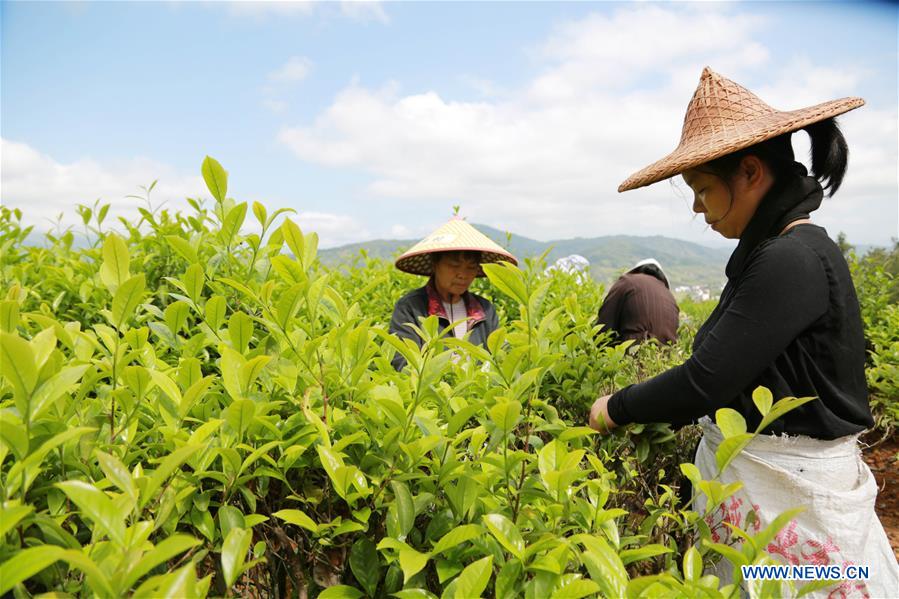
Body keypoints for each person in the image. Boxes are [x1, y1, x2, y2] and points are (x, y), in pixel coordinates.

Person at [589, 67, 898, 595]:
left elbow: (705, 380)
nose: (697, 207)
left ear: (751, 172)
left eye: (703, 189)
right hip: (774, 491)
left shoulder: (790, 258)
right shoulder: (780, 251)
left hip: (789, 501)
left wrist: (615, 407)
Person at [389, 217, 517, 371]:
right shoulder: (411, 307)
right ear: (435, 264)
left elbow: (499, 359)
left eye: (471, 267)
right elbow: (404, 363)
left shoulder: (484, 310)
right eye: (454, 265)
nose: (463, 274)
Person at [595, 258, 679, 344]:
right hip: (668, 351)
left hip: (635, 348)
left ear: (637, 270)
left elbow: (604, 326)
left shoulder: (627, 281)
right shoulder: (670, 296)